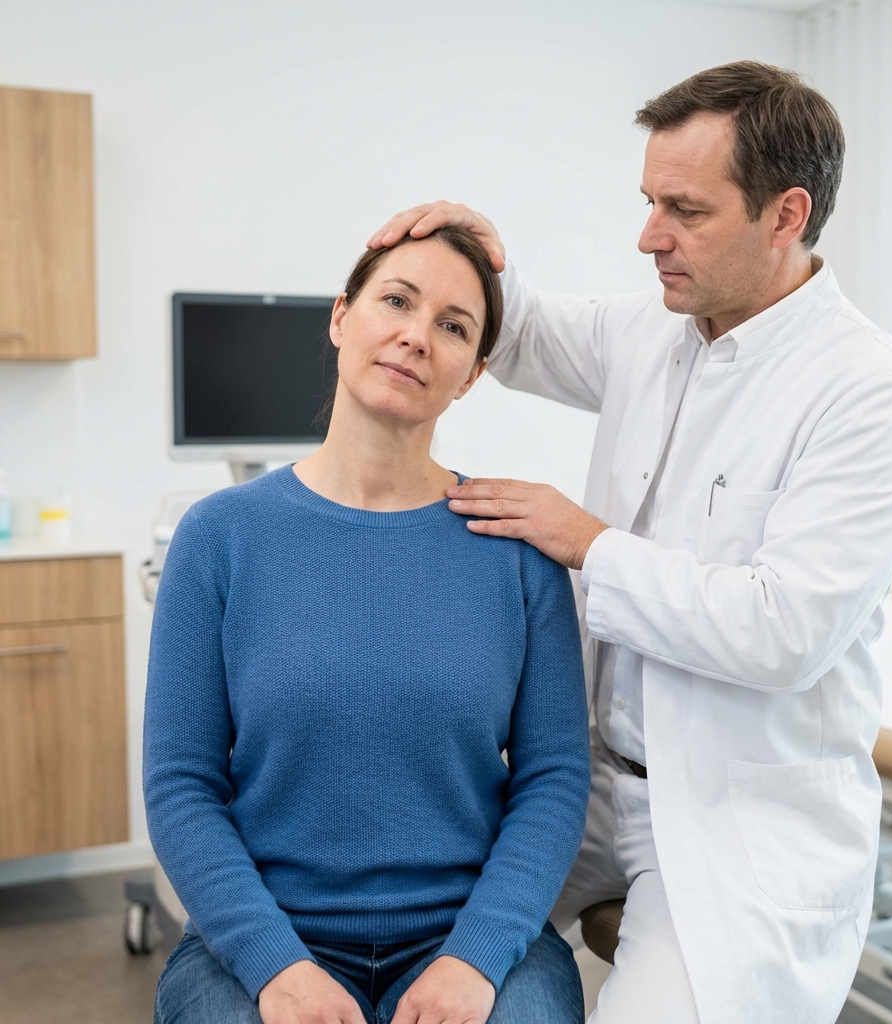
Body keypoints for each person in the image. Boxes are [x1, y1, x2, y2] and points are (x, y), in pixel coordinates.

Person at [368, 62, 892, 1024]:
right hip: (586, 785)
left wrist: (585, 542)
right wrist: (469, 253)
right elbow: (526, 332)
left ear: (785, 215)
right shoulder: (657, 329)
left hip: (733, 817)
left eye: (684, 210)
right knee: (405, 950)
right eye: (647, 202)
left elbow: (783, 633)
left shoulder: (867, 392)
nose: (648, 237)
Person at [144, 226, 591, 1024]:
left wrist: (476, 956)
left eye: (454, 326)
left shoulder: (517, 549)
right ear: (342, 318)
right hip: (269, 934)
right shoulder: (218, 537)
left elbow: (554, 777)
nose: (417, 336)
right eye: (396, 300)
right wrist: (275, 966)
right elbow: (180, 784)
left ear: (473, 373)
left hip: (462, 934)